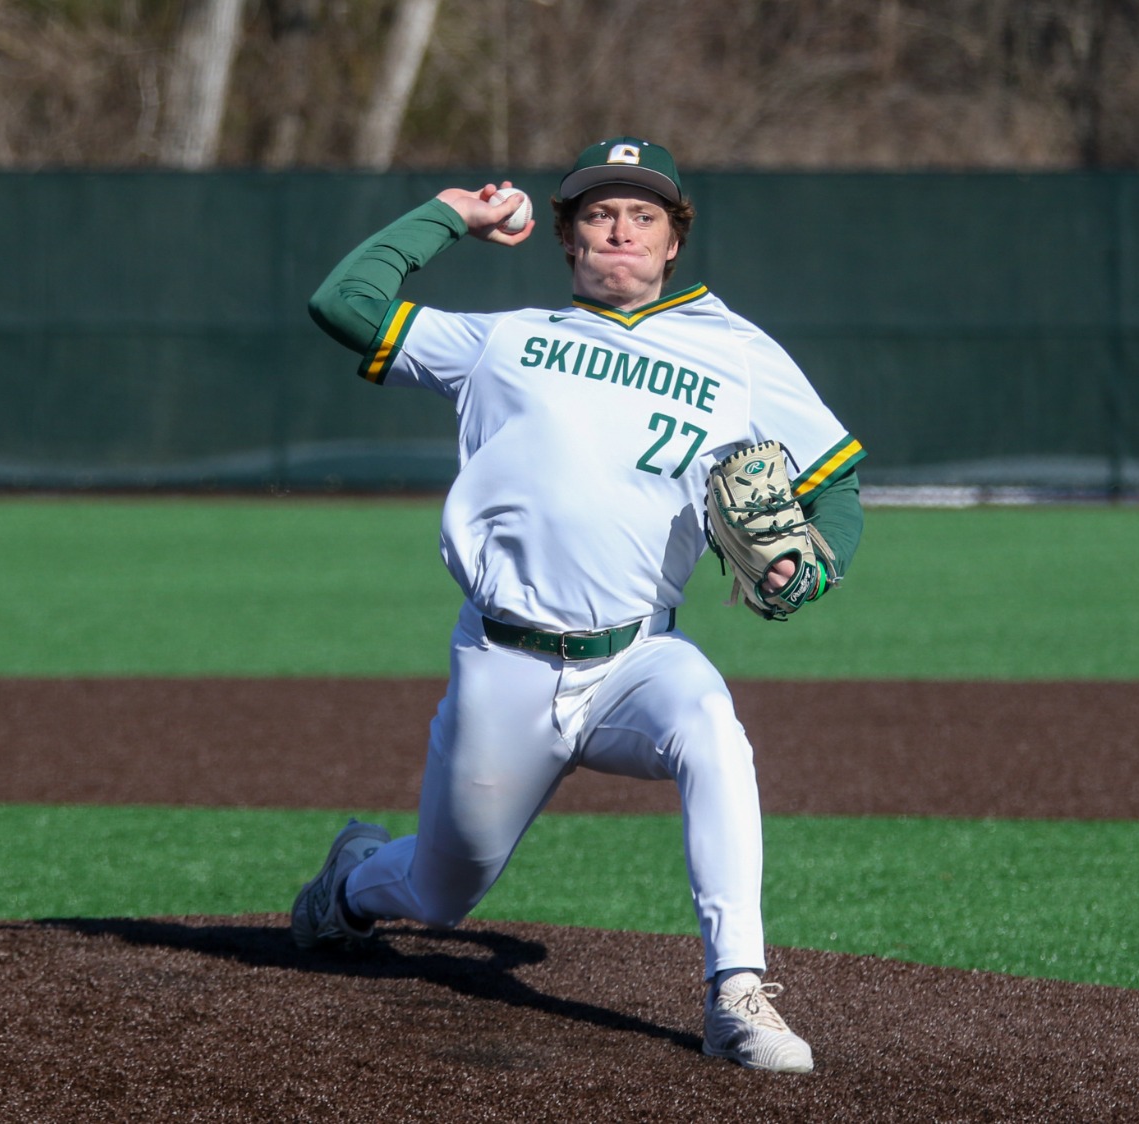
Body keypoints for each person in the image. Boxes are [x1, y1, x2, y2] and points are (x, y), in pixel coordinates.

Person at [296, 136, 865, 1074]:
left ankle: (738, 989)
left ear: (673, 239)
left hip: (640, 657)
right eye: (599, 213)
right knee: (441, 894)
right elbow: (343, 306)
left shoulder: (737, 353)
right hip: (506, 664)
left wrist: (818, 565)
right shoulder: (504, 340)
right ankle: (354, 884)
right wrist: (452, 212)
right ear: (568, 237)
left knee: (713, 728)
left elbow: (835, 482)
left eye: (643, 214)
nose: (621, 230)